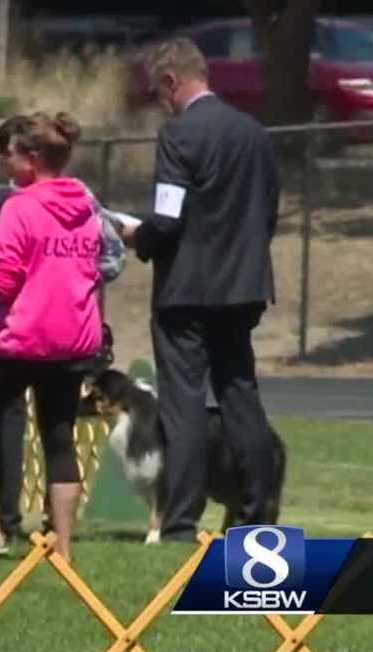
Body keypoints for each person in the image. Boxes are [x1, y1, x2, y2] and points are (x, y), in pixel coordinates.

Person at [117, 38, 279, 543]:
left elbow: (167, 218)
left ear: (170, 82)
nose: (159, 101)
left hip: (186, 291)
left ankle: (181, 521)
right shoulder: (254, 133)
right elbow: (269, 208)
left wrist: (136, 237)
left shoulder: (179, 134)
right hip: (244, 285)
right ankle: (257, 513)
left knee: (182, 402)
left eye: (157, 90)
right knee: (239, 393)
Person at [0, 115, 126, 545]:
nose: (5, 164)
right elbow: (109, 260)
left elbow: (6, 280)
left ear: (32, 160)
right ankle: (64, 547)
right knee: (59, 437)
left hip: (23, 335)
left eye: (9, 155)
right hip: (73, 338)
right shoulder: (85, 206)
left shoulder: (19, 206)